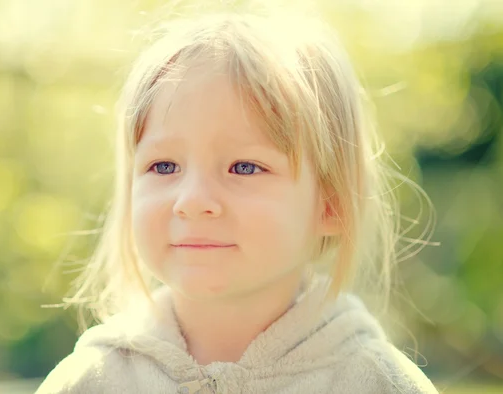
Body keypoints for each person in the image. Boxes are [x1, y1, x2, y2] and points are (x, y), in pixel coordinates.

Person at [36, 10, 439, 394]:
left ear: (330, 203)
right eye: (163, 166)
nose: (191, 201)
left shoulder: (376, 383)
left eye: (244, 167)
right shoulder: (91, 381)